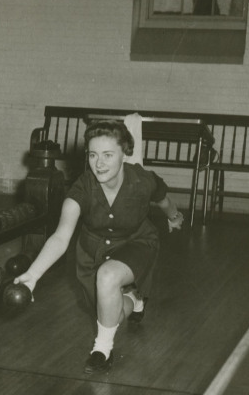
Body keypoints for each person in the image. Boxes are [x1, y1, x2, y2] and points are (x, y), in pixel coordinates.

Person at [13, 120, 184, 374]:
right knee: (112, 315)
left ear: (125, 153)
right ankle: (134, 299)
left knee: (108, 277)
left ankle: (102, 349)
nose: (99, 163)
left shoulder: (142, 180)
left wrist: (173, 216)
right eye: (93, 155)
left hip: (137, 242)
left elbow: (163, 200)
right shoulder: (81, 189)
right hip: (92, 253)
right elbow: (61, 237)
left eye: (107, 155)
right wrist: (33, 275)